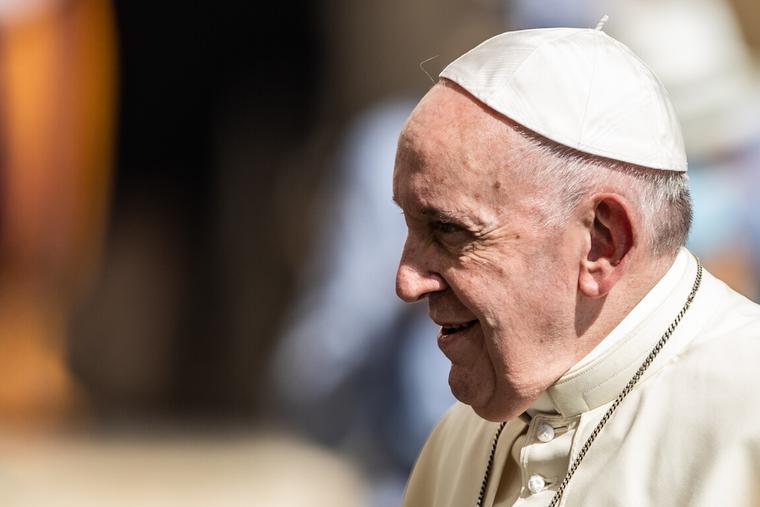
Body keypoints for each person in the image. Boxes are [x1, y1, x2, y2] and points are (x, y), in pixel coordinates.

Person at [393, 23, 760, 507]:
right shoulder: (458, 441)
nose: (406, 281)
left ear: (601, 243)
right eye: (409, 225)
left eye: (449, 230)